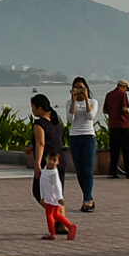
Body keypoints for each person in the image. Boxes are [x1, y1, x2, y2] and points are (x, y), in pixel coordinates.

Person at [30, 93, 78, 240]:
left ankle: (60, 220)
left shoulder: (39, 124)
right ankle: (61, 222)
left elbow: (41, 143)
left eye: (33, 107)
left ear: (39, 108)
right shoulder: (55, 121)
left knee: (38, 192)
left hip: (48, 162)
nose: (32, 111)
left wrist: (37, 163)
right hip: (60, 160)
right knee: (57, 193)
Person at [65, 77, 100, 212]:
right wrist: (74, 101)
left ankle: (87, 198)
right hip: (74, 137)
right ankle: (88, 197)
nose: (79, 91)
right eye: (77, 88)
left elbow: (90, 116)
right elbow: (69, 118)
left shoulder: (93, 102)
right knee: (79, 170)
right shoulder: (69, 102)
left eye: (82, 88)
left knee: (87, 169)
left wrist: (85, 100)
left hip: (88, 137)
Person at [103, 79, 129, 179]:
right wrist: (128, 116)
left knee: (114, 150)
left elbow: (105, 110)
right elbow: (124, 108)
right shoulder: (122, 95)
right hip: (123, 125)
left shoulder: (109, 95)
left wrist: (113, 115)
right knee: (126, 149)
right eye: (126, 89)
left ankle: (112, 172)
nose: (126, 91)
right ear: (123, 87)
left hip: (113, 126)